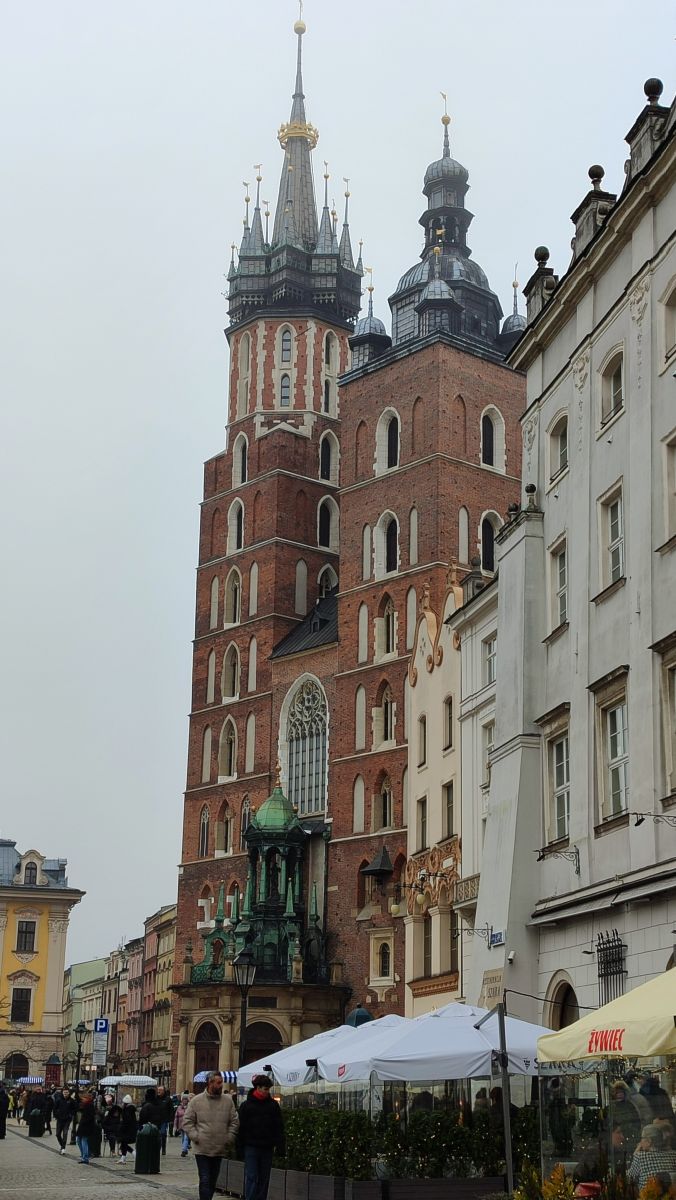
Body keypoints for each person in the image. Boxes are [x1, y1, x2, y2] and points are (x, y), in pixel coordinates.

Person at [183, 1070, 239, 1200]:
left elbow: (234, 1121)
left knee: (213, 1180)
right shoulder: (196, 1101)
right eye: (218, 1083)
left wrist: (229, 1137)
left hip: (219, 1147)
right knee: (205, 1178)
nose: (221, 1086)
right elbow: (187, 1122)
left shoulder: (228, 1101)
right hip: (202, 1148)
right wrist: (196, 1136)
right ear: (210, 1083)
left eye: (222, 1083)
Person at [237, 1074, 285, 1200]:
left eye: (268, 1089)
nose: (266, 1091)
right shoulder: (246, 1106)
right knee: (252, 1177)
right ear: (257, 1088)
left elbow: (278, 1126)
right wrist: (239, 1148)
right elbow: (240, 1128)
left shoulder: (273, 1106)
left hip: (267, 1147)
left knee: (264, 1178)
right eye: (265, 1088)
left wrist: (280, 1145)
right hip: (251, 1146)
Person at [627, 1123, 676, 1191]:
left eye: (642, 1138)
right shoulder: (673, 1155)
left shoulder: (641, 1156)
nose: (640, 1141)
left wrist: (635, 1153)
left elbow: (629, 1177)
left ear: (649, 1141)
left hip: (648, 1196)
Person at [53, 1087, 77, 1154]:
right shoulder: (59, 1100)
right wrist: (56, 1115)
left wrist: (70, 1115)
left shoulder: (71, 1100)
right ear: (62, 1093)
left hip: (67, 1120)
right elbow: (54, 1108)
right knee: (58, 1134)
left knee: (65, 1133)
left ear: (69, 1093)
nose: (65, 1094)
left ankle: (63, 1148)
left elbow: (75, 1109)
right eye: (64, 1092)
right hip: (60, 1119)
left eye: (67, 1092)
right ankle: (62, 1145)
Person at [76, 1095, 97, 1165]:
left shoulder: (90, 1105)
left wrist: (84, 1122)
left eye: (84, 1098)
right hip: (82, 1125)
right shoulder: (85, 1105)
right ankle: (84, 1156)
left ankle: (85, 1157)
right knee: (78, 1140)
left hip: (86, 1126)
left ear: (87, 1099)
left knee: (83, 1140)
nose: (82, 1099)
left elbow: (90, 1116)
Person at [118, 1095, 137, 1165]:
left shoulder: (126, 1110)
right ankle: (123, 1158)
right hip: (131, 1130)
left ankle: (133, 1153)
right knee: (123, 1143)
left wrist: (121, 1128)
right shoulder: (131, 1110)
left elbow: (126, 1121)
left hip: (127, 1131)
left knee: (123, 1143)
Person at [156, 1084, 174, 1155]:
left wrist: (171, 1119)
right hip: (156, 1120)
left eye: (160, 1090)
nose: (159, 1091)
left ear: (164, 1091)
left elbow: (171, 1110)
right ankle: (157, 1148)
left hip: (164, 1120)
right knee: (157, 1135)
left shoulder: (168, 1099)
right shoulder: (156, 1099)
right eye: (158, 1090)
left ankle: (163, 1148)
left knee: (163, 1133)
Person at [174, 1091, 192, 1157]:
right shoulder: (179, 1107)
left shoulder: (190, 1107)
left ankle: (184, 1150)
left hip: (187, 1125)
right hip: (181, 1125)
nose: (185, 1101)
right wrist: (175, 1126)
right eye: (184, 1099)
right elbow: (176, 1117)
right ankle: (185, 1149)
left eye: (186, 1100)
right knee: (183, 1138)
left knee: (186, 1138)